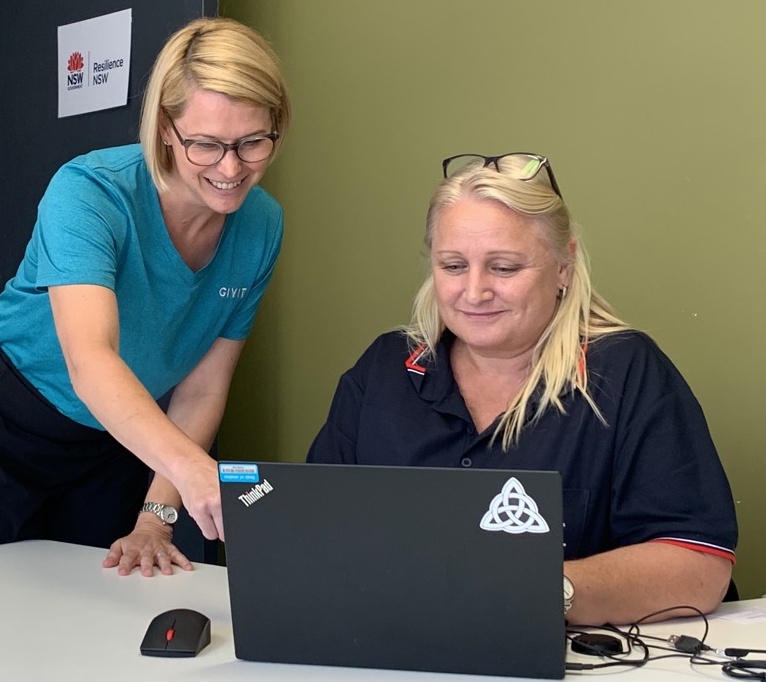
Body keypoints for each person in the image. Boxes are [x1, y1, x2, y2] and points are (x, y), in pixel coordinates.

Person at [0, 17, 292, 576]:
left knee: (98, 607)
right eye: (207, 145)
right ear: (166, 128)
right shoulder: (91, 192)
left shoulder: (261, 225)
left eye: (252, 142)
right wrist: (193, 470)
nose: (231, 168)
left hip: (113, 435)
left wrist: (157, 516)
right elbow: (90, 360)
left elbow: (202, 388)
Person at [307, 153, 737, 626]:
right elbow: (312, 525)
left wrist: (537, 592)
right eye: (452, 266)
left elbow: (699, 567)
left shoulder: (626, 372)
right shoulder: (384, 371)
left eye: (505, 268)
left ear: (563, 267)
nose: (474, 292)